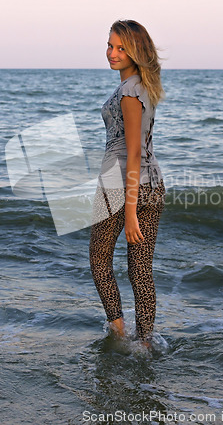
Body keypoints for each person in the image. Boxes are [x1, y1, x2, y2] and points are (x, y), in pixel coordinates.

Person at [89, 19, 166, 347]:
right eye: (110, 45)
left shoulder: (130, 90)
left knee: (99, 258)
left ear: (136, 52)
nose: (112, 52)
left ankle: (119, 332)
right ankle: (146, 344)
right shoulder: (142, 86)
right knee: (140, 270)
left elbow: (133, 153)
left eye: (121, 47)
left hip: (120, 186)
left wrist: (130, 211)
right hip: (152, 185)